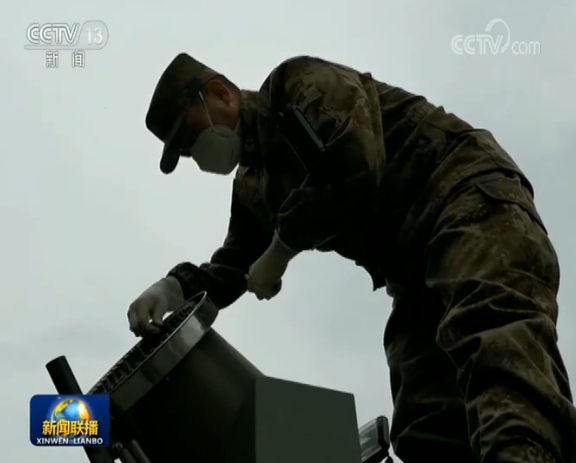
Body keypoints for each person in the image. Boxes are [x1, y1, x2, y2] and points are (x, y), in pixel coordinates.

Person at [128, 53, 576, 463]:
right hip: (412, 272)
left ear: (221, 94)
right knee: (427, 415)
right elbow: (233, 266)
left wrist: (282, 247)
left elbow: (355, 161)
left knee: (495, 347)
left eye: (190, 136)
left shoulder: (293, 87)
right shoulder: (253, 185)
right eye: (185, 152)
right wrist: (176, 288)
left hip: (464, 199)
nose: (195, 154)